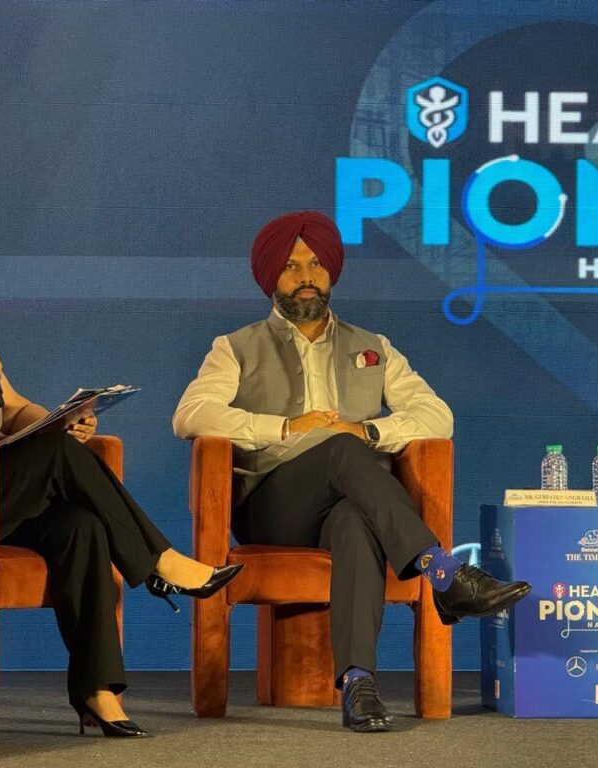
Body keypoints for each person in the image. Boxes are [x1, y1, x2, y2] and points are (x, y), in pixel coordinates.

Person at [0, 224, 242, 738]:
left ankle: (97, 692)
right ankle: (159, 561)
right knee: (58, 458)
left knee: (81, 526)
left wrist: (62, 420)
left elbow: (16, 410)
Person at [172, 211, 530, 733]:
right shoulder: (236, 347)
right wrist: (284, 427)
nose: (307, 276)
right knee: (341, 448)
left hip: (350, 500)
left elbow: (438, 416)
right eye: (292, 267)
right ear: (271, 278)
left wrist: (370, 431)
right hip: (274, 507)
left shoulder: (374, 347)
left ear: (332, 272)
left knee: (354, 522)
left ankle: (358, 685)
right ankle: (443, 572)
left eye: (316, 264)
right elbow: (191, 415)